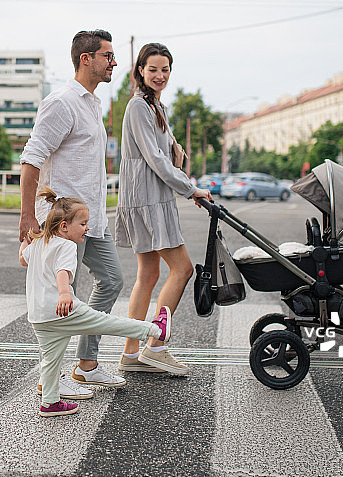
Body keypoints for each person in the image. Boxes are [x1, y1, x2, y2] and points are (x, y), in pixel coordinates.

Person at [19, 29, 127, 395]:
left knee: (111, 280)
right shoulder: (62, 102)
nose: (114, 62)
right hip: (62, 220)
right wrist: (27, 216)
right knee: (61, 294)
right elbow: (32, 158)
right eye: (108, 56)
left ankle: (86, 365)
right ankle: (50, 378)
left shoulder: (92, 103)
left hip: (91, 217)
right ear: (86, 59)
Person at [20, 188, 172, 417]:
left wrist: (26, 240)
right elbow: (62, 272)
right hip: (63, 310)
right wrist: (65, 294)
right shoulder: (67, 246)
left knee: (50, 362)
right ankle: (156, 330)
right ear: (64, 226)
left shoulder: (40, 243)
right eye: (83, 224)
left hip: (39, 317)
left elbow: (23, 259)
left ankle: (50, 403)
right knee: (108, 323)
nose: (87, 228)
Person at [115, 42, 211, 375]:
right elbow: (155, 159)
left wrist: (176, 150)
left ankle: (131, 353)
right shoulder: (139, 106)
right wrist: (190, 188)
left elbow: (166, 150)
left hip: (144, 196)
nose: (159, 75)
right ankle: (155, 346)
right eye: (153, 69)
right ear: (140, 70)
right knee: (182, 269)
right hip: (149, 199)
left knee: (148, 275)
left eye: (165, 69)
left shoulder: (155, 105)